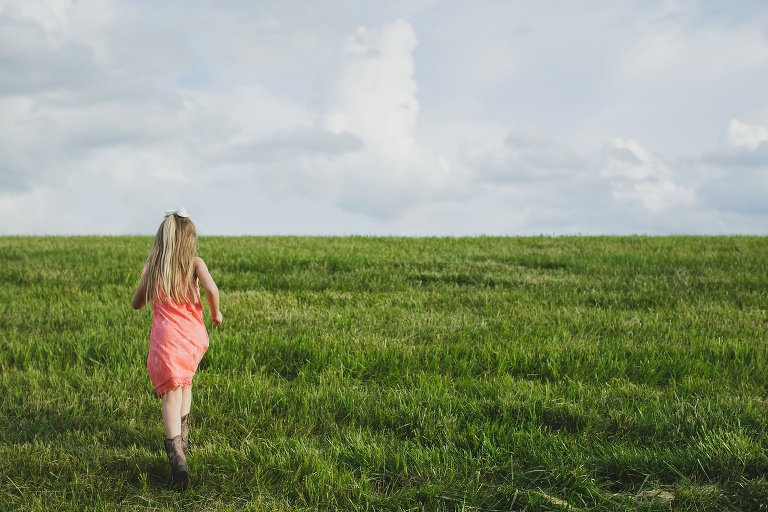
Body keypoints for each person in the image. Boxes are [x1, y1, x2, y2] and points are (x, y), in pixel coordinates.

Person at [131, 208, 223, 490]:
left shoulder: (154, 266)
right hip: (192, 339)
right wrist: (216, 313)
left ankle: (177, 455)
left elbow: (137, 302)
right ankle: (183, 434)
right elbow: (212, 290)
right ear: (190, 240)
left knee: (170, 394)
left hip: (167, 340)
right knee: (186, 385)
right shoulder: (195, 263)